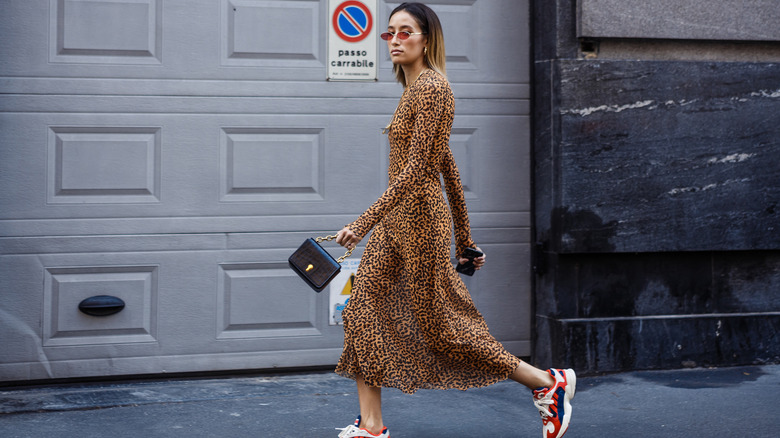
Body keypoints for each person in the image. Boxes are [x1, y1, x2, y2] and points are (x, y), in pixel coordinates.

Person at [334, 3, 575, 438]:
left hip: (420, 222)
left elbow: (419, 170)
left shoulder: (433, 89)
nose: (394, 40)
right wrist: (465, 238)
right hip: (396, 221)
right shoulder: (414, 90)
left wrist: (363, 222)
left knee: (443, 327)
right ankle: (371, 425)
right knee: (362, 310)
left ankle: (545, 382)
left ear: (427, 39)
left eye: (405, 32)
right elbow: (449, 166)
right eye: (390, 33)